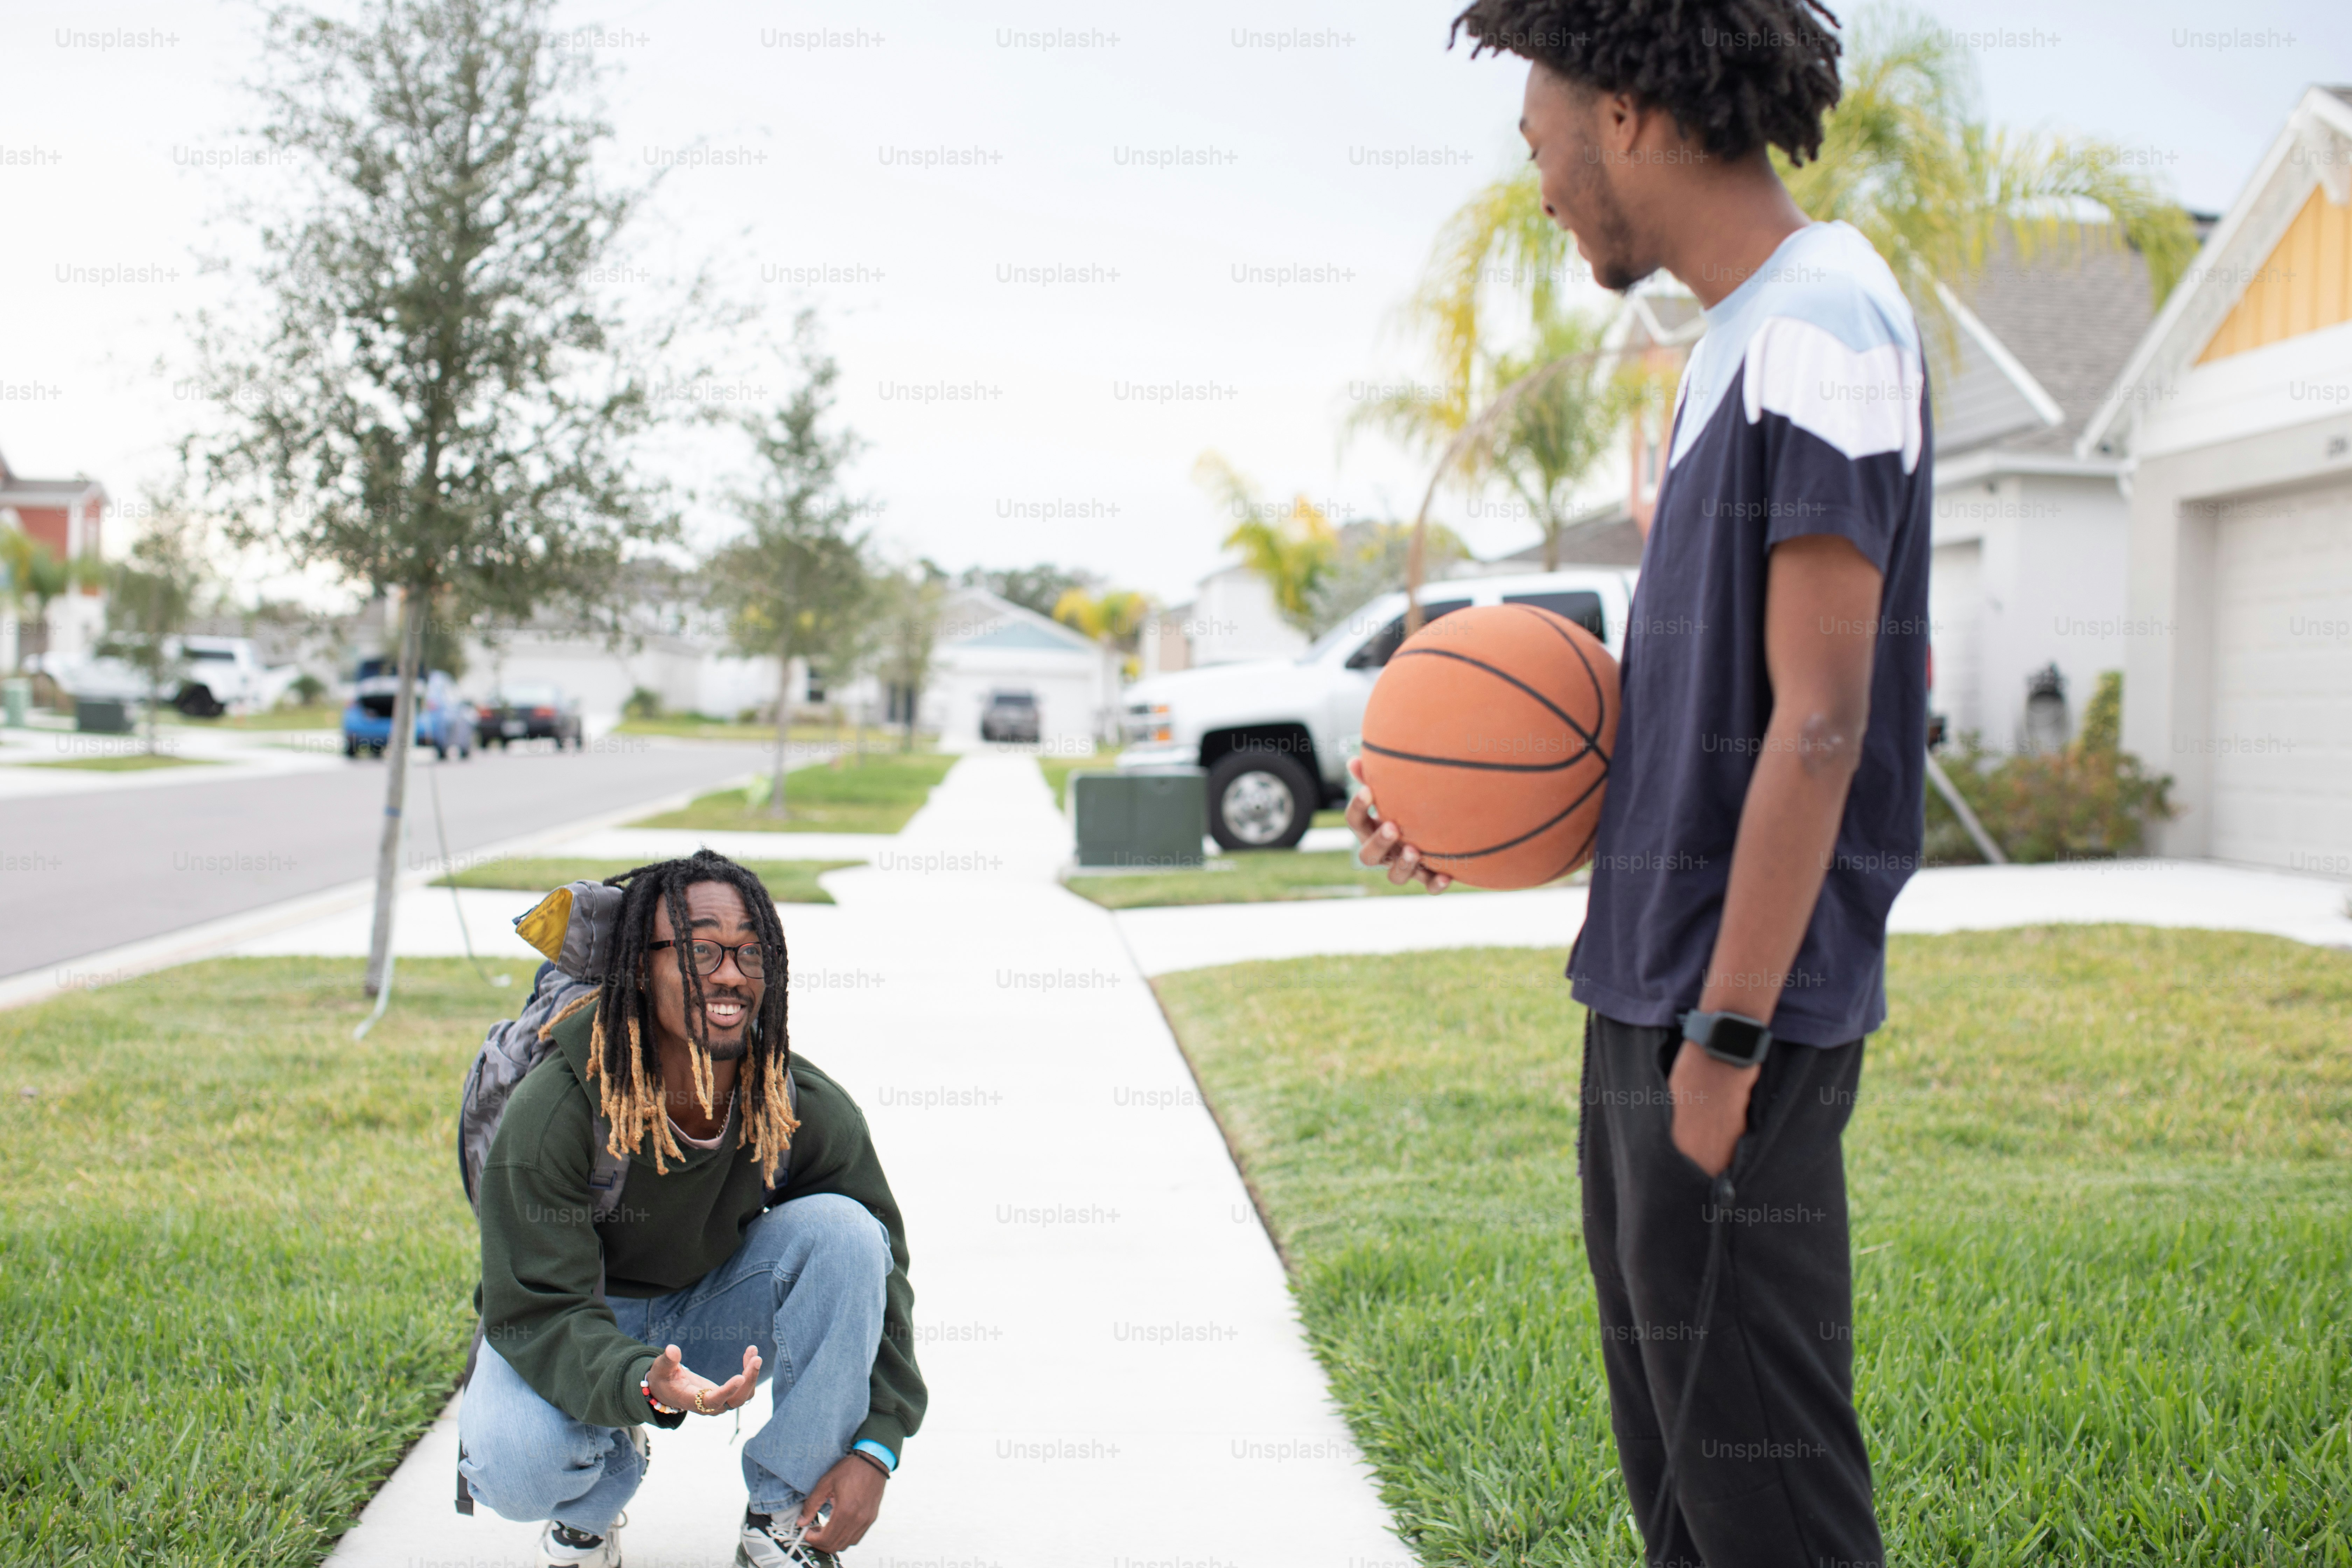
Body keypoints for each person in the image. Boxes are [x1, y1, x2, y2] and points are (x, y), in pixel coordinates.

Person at [1352, 4, 1927, 1563]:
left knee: (1770, 1501)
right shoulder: (1735, 341)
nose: (1537, 184)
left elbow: (1824, 722)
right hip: (1651, 992)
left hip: (1731, 1011)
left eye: (1537, 141)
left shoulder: (1829, 315)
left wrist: (1727, 1042)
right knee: (1687, 1489)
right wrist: (1463, 819)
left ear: (1622, 111)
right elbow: (1707, 733)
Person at [459, 850, 924, 1568]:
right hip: (575, 1319)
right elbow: (535, 1305)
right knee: (517, 1466)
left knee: (848, 1234)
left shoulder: (794, 1100)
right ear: (640, 969)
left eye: (750, 951)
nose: (731, 972)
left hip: (711, 1315)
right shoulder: (558, 1103)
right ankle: (592, 1500)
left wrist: (878, 1443)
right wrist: (640, 1379)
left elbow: (881, 1273)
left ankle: (781, 1515)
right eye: (701, 948)